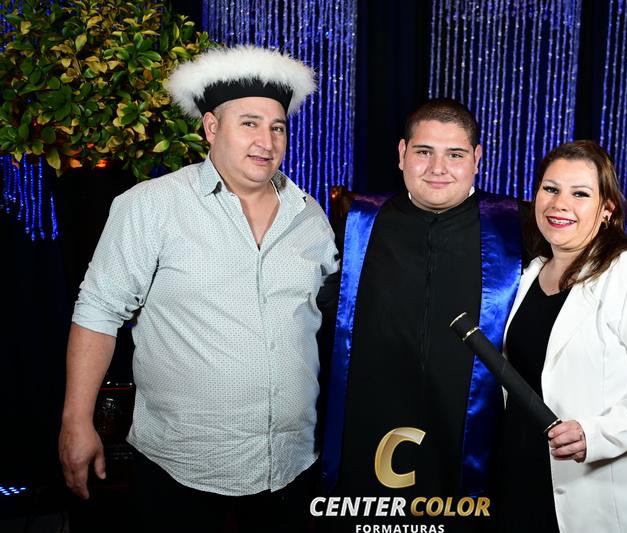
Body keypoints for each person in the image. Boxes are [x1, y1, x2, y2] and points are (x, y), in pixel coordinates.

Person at [58, 45, 338, 532]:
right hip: (180, 471)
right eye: (249, 123)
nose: (266, 141)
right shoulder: (150, 206)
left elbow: (336, 317)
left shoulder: (310, 215)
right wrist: (76, 421)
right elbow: (98, 311)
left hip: (292, 466)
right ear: (211, 127)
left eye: (277, 127)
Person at [317, 98, 526, 531]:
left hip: (471, 431)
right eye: (424, 151)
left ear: (477, 159)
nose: (437, 168)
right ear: (401, 154)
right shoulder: (359, 223)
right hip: (371, 426)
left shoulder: (516, 228)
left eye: (455, 155)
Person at [493, 140, 627, 532]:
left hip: (595, 481)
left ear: (606, 209)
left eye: (580, 194)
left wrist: (599, 434)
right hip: (520, 467)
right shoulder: (527, 274)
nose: (560, 204)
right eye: (550, 189)